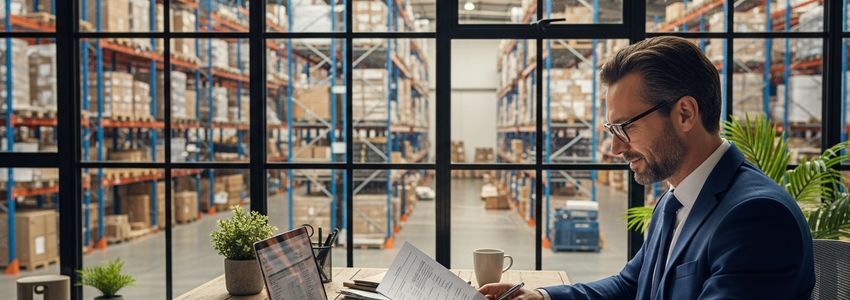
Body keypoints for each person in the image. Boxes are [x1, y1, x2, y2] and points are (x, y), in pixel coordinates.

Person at [479, 36, 815, 300]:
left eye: (625, 127)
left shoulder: (757, 218)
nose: (614, 148)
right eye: (611, 131)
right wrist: (543, 297)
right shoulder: (675, 199)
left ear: (685, 113)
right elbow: (632, 284)